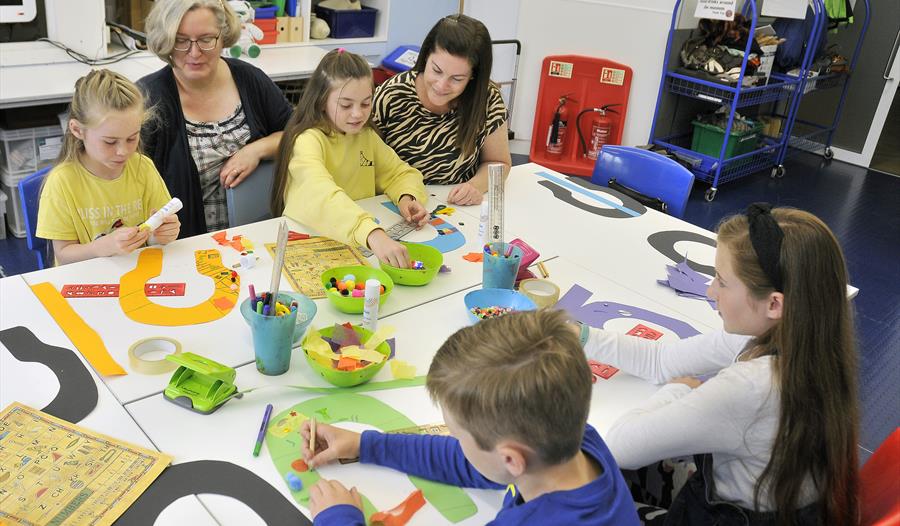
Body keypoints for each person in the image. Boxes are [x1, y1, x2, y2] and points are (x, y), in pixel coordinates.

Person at [580, 204, 859, 525]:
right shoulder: (805, 337)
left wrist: (677, 390)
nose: (711, 291)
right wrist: (579, 335)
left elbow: (617, 447)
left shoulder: (751, 388)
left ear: (774, 303)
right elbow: (662, 360)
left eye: (722, 281)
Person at [300, 310, 640, 525]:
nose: (457, 444)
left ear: (511, 457)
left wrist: (339, 519)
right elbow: (473, 463)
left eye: (459, 436)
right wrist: (365, 444)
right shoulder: (575, 441)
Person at [139, 0, 292, 237]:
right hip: (185, 247)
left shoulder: (249, 79)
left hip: (258, 238)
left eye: (206, 39)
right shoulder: (149, 99)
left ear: (223, 37)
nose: (194, 52)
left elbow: (298, 134)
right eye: (180, 41)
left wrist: (256, 150)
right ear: (166, 41)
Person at [270, 49, 428, 268]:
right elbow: (320, 194)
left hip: (355, 242)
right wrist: (372, 233)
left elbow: (399, 172)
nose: (357, 114)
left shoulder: (366, 136)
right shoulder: (308, 140)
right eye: (345, 105)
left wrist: (407, 197)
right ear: (322, 100)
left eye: (365, 103)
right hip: (314, 243)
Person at [36, 69, 180, 265]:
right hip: (87, 282)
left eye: (132, 138)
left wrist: (160, 235)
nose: (123, 151)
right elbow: (63, 254)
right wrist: (100, 248)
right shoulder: (62, 181)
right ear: (77, 130)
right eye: (110, 142)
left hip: (138, 274)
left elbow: (152, 235)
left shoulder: (142, 167)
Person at [373, 14, 511, 206]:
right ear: (426, 56)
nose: (441, 85)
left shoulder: (486, 99)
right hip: (397, 202)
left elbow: (499, 163)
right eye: (436, 70)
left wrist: (474, 186)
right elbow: (365, 162)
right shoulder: (392, 95)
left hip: (458, 208)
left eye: (457, 79)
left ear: (473, 76)